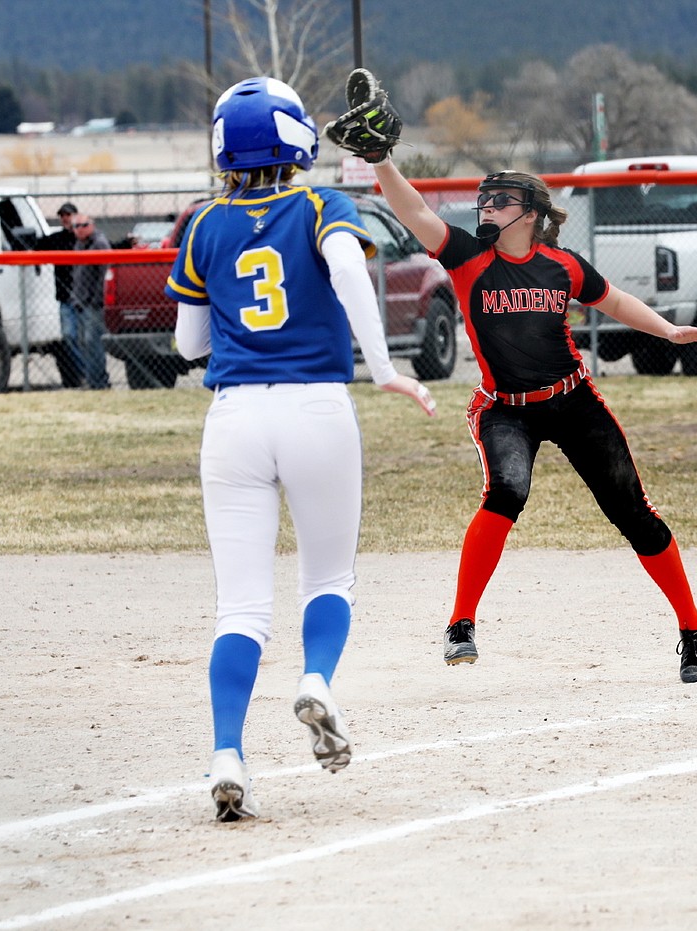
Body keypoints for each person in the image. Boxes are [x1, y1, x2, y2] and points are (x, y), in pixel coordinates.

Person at [166, 76, 437, 822]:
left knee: (240, 608)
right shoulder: (320, 204)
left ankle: (228, 754)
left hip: (234, 416)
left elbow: (188, 343)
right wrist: (384, 369)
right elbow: (349, 271)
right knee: (330, 576)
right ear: (296, 139)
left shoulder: (203, 222)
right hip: (317, 405)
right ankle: (316, 677)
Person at [366, 155, 697, 684]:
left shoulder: (563, 264)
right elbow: (414, 209)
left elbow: (615, 301)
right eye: (484, 199)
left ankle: (693, 631)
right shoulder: (468, 257)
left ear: (530, 213)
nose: (488, 207)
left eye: (501, 200)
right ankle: (461, 623)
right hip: (506, 407)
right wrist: (382, 161)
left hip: (572, 398)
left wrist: (669, 331)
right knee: (506, 491)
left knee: (632, 512)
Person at [37, 202, 83, 386]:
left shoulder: (85, 238)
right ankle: (84, 373)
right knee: (69, 337)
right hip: (66, 299)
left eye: (69, 214)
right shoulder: (56, 239)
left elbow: (108, 247)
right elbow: (34, 246)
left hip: (86, 299)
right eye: (62, 215)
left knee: (88, 339)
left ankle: (92, 374)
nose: (65, 218)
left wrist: (126, 243)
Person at [69, 213, 112, 390]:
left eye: (83, 225)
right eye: (75, 226)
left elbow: (105, 275)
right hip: (81, 303)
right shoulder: (80, 245)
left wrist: (96, 300)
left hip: (94, 305)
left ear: (91, 225)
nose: (79, 229)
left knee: (93, 342)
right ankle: (91, 379)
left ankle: (99, 382)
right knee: (83, 343)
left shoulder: (99, 244)